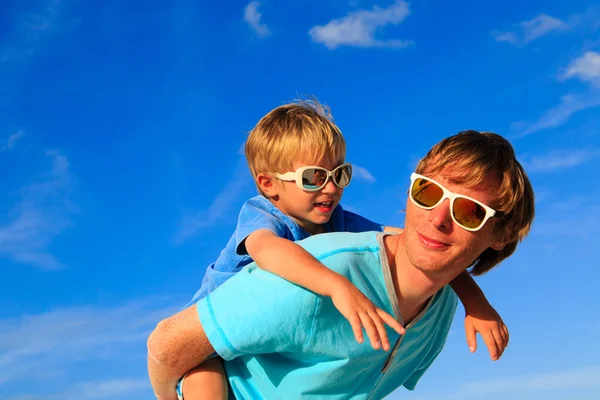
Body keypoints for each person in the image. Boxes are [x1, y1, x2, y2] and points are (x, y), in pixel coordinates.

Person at [150, 101, 515, 399]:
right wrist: (336, 286)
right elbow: (269, 252)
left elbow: (415, 245)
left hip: (257, 344)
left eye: (339, 175)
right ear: (269, 184)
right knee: (204, 383)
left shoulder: (336, 220)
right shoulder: (264, 216)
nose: (330, 189)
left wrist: (475, 302)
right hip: (210, 338)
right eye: (314, 178)